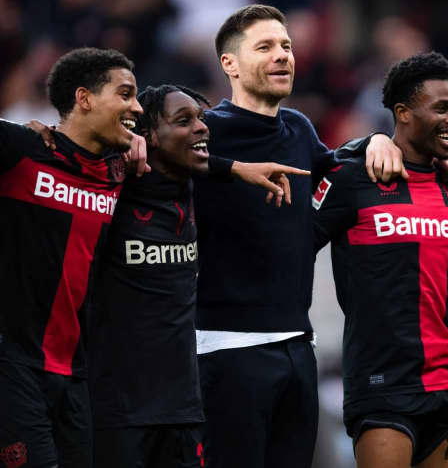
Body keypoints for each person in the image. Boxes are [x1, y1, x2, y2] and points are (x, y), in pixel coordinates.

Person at [192, 4, 448, 468]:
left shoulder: (297, 128)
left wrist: (377, 142)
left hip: (297, 345)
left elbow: (336, 164)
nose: (282, 56)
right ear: (229, 65)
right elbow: (154, 155)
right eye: (265, 47)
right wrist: (230, 169)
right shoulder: (204, 132)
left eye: (286, 46)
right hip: (226, 346)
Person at [88, 84, 310, 468]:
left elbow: (210, 165)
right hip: (117, 408)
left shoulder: (196, 187)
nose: (201, 127)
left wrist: (373, 141)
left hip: (184, 408)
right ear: (149, 137)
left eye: (202, 119)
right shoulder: (113, 185)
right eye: (184, 121)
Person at [312, 51, 448, 468]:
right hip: (382, 387)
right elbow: (292, 245)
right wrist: (368, 141)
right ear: (402, 113)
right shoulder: (355, 178)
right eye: (440, 108)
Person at [0, 47, 141, 468]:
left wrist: (235, 169)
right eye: (126, 93)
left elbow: (190, 142)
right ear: (84, 98)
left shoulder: (119, 171)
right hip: (12, 363)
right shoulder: (21, 149)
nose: (136, 107)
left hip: (73, 371)